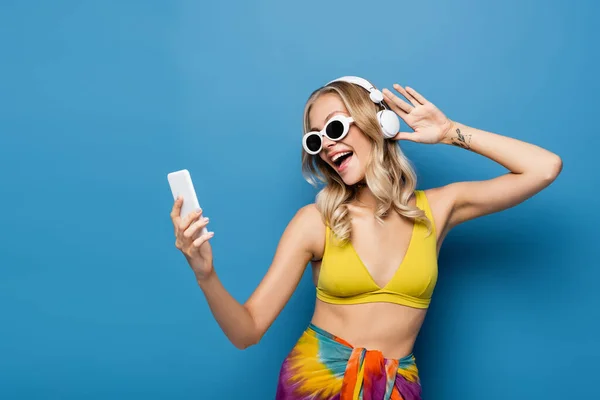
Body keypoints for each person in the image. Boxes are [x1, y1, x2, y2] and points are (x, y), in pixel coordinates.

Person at [169, 76, 562, 399]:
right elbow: (247, 331)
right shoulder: (315, 221)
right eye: (315, 140)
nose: (326, 145)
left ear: (378, 124)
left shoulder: (439, 209)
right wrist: (205, 274)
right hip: (314, 384)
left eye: (335, 127)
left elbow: (543, 168)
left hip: (396, 389)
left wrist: (448, 132)